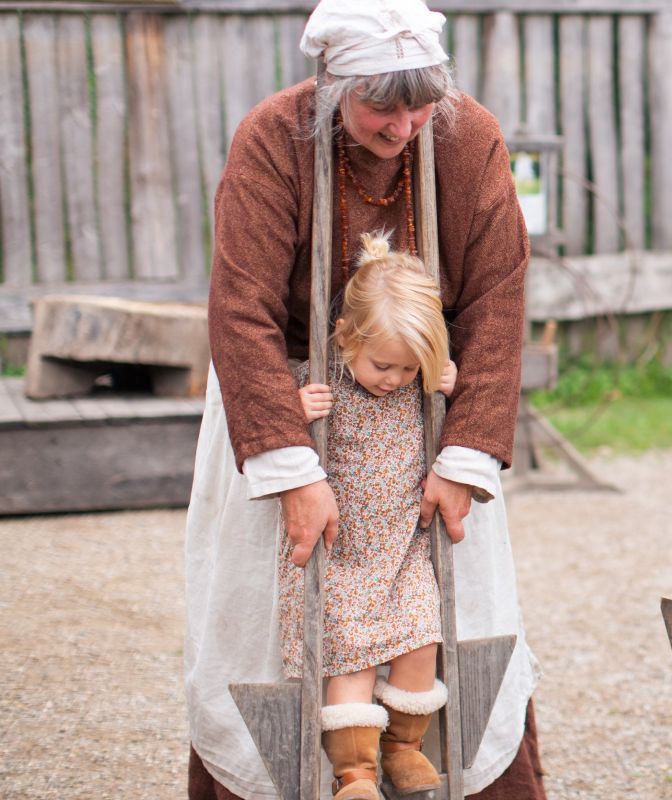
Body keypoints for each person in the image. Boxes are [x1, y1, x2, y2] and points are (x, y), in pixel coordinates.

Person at [183, 0, 544, 797]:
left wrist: (466, 452)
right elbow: (239, 308)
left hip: (426, 411)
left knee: (454, 608)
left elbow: (496, 296)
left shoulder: (465, 134)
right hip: (287, 403)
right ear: (333, 82)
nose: (403, 126)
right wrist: (289, 468)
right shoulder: (273, 137)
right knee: (268, 625)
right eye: (383, 104)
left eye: (420, 103)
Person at [276, 231, 458, 799]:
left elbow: (452, 410)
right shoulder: (321, 382)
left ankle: (403, 748)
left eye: (409, 369)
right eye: (384, 365)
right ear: (345, 335)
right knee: (349, 663)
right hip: (342, 556)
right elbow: (263, 418)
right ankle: (354, 774)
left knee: (421, 644)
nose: (395, 380)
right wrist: (292, 408)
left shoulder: (415, 386)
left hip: (401, 551)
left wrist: (448, 387)